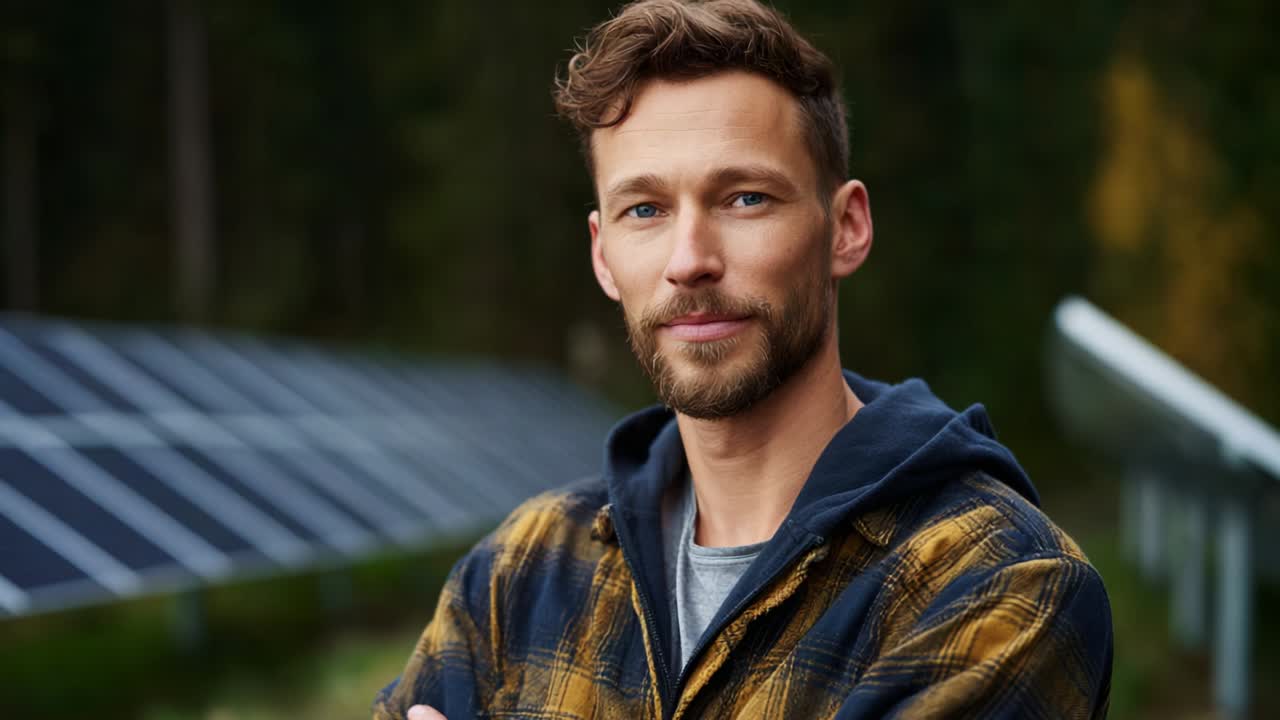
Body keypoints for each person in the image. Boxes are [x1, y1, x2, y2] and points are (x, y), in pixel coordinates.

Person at [373, 0, 1113, 717]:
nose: (689, 260)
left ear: (846, 228)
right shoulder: (519, 573)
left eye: (745, 198)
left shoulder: (996, 581)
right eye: (645, 210)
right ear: (602, 256)